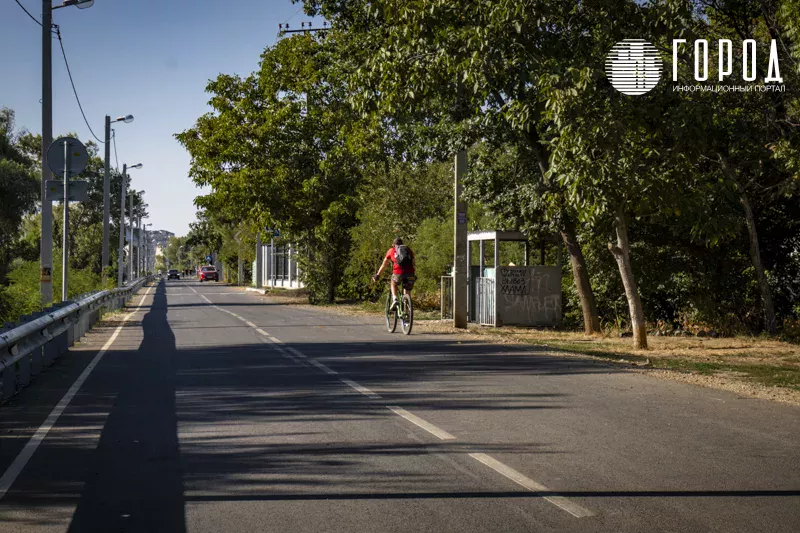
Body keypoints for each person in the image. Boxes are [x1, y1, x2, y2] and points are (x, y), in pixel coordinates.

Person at [373, 237, 416, 309]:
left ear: (393, 244)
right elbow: (414, 263)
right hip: (410, 273)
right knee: (407, 289)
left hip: (398, 273)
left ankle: (395, 299)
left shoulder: (391, 250)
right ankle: (407, 311)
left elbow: (384, 264)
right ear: (402, 244)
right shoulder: (408, 250)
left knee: (393, 282)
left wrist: (378, 275)